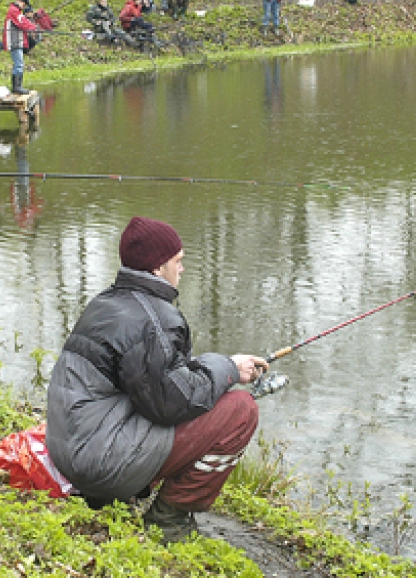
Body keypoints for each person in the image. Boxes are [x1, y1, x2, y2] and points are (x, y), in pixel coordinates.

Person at [46, 217, 269, 543]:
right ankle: (169, 522)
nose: (182, 270)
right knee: (240, 410)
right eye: (178, 262)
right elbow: (173, 404)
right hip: (95, 464)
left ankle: (124, 494)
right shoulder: (153, 319)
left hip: (69, 451)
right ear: (156, 269)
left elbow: (156, 379)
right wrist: (229, 370)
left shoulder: (107, 303)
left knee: (201, 394)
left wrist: (222, 367)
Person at [3, 0, 37, 95]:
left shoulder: (17, 11)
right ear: (20, 1)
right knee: (19, 64)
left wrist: (33, 25)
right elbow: (22, 23)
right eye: (24, 4)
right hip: (14, 41)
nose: (24, 7)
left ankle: (17, 86)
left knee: (19, 64)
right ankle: (17, 87)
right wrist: (34, 28)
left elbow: (24, 21)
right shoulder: (14, 11)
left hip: (17, 41)